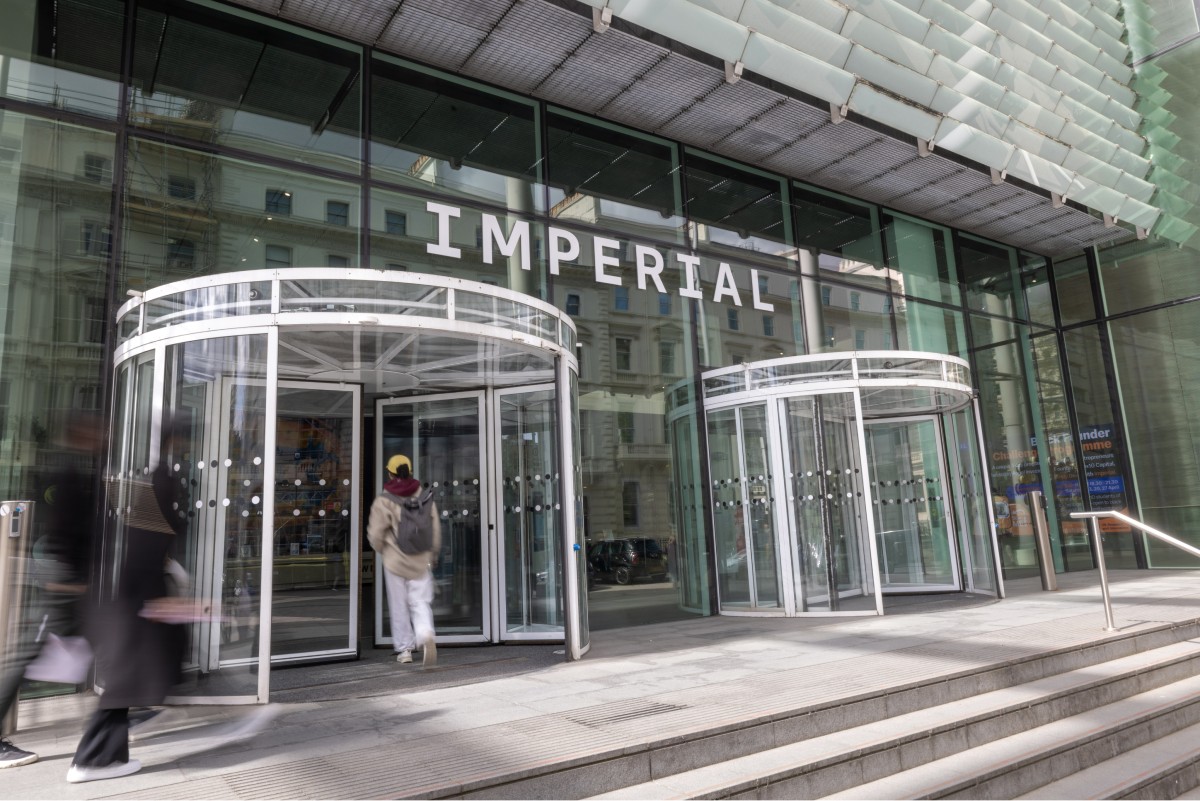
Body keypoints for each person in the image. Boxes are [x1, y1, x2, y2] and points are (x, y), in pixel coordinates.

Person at [65, 417, 190, 783]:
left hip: (134, 591)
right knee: (125, 679)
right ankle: (92, 759)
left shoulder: (154, 479)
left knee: (129, 676)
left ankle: (107, 756)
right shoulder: (162, 481)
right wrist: (156, 594)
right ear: (175, 438)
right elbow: (151, 539)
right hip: (138, 593)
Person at [0, 414, 103, 770]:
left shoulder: (80, 470)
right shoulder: (68, 473)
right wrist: (62, 580)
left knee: (100, 639)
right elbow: (60, 529)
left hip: (72, 578)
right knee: (25, 654)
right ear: (81, 433)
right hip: (62, 579)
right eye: (95, 429)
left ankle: (117, 714)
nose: (102, 434)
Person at [367, 454, 440, 668]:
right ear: (410, 471)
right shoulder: (424, 497)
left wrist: (383, 549)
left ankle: (405, 650)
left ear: (389, 473)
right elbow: (434, 529)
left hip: (395, 560)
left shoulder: (384, 500)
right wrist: (433, 553)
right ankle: (425, 632)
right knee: (420, 601)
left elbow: (375, 534)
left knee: (399, 605)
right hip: (419, 558)